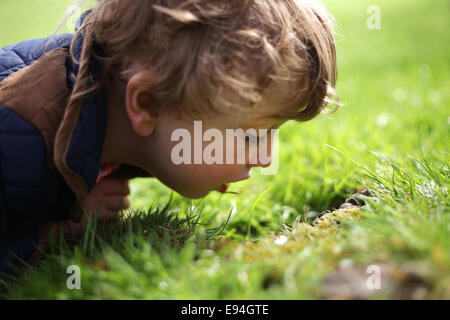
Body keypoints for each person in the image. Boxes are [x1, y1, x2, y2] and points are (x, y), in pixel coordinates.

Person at [0, 0, 338, 274]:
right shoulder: (18, 137)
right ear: (148, 102)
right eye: (252, 134)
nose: (266, 157)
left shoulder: (105, 107)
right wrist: (54, 232)